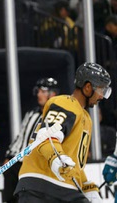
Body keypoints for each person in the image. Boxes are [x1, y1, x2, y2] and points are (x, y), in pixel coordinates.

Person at [14, 62, 111, 202]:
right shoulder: (66, 103)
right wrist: (56, 158)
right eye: (101, 90)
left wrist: (87, 188)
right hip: (41, 185)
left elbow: (73, 164)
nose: (102, 96)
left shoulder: (86, 118)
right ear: (88, 87)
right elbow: (46, 138)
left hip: (61, 188)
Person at [2, 77, 59, 203]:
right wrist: (9, 155)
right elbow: (21, 136)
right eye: (38, 91)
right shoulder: (32, 113)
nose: (39, 94)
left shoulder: (56, 116)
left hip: (34, 166)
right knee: (10, 199)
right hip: (17, 162)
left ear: (53, 94)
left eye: (43, 91)